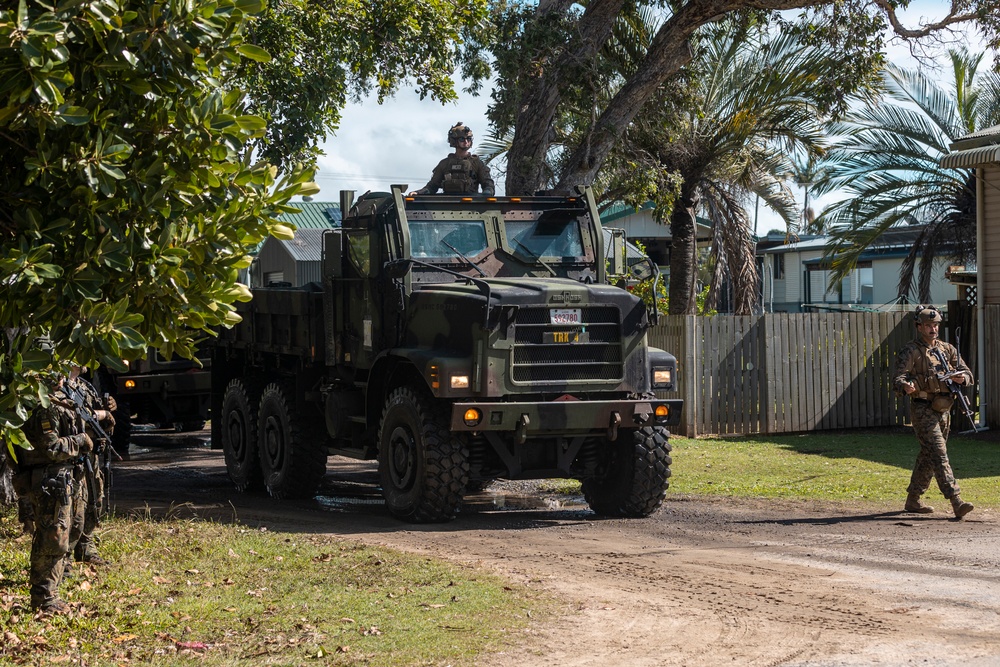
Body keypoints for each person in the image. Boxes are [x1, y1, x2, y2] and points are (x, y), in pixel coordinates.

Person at [16, 373, 95, 614]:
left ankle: (53, 591)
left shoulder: (64, 400)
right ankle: (43, 598)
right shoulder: (42, 407)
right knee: (52, 539)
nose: (60, 378)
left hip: (65, 478)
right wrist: (80, 440)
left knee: (71, 531)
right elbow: (51, 447)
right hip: (49, 480)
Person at [892, 305, 975, 519]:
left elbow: (967, 373)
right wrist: (906, 386)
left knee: (929, 456)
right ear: (919, 327)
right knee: (939, 454)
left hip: (943, 409)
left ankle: (913, 499)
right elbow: (898, 378)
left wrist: (961, 378)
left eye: (935, 325)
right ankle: (956, 501)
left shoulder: (947, 349)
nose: (933, 329)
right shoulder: (911, 350)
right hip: (922, 409)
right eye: (928, 325)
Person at [65, 365, 115, 566]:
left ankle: (86, 546)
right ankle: (65, 556)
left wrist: (109, 410)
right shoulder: (60, 388)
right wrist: (98, 414)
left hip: (91, 455)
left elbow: (100, 417)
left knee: (95, 500)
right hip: (73, 456)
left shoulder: (83, 387)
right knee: (74, 508)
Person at [411, 123, 495, 196]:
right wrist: (419, 192)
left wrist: (487, 192)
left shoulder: (476, 163)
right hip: (448, 203)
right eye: (462, 139)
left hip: (470, 204)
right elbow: (432, 186)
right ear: (454, 141)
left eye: (468, 139)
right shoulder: (445, 164)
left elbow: (488, 184)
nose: (466, 142)